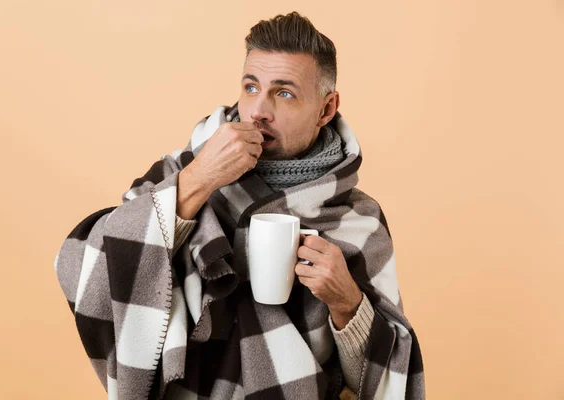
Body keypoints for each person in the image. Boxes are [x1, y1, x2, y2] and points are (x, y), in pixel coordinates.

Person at [54, 11, 425, 400]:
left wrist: (349, 304)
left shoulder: (359, 221)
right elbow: (89, 262)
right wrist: (199, 181)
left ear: (326, 109)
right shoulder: (185, 170)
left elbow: (388, 380)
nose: (258, 110)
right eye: (251, 87)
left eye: (284, 93)